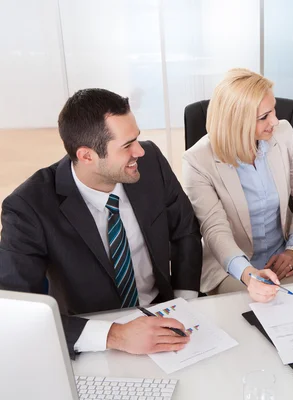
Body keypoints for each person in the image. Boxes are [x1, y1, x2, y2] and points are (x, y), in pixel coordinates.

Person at [0, 89, 203, 358]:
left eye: (137, 139)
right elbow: (18, 307)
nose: (139, 151)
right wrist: (115, 335)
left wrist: (184, 303)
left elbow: (185, 230)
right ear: (86, 156)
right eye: (127, 145)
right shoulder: (29, 207)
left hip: (165, 314)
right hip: (94, 333)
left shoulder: (151, 161)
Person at [182, 68, 293, 302]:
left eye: (273, 109)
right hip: (231, 267)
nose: (275, 121)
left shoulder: (284, 134)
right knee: (250, 309)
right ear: (237, 122)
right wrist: (247, 274)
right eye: (264, 117)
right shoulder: (197, 161)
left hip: (284, 255)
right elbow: (214, 229)